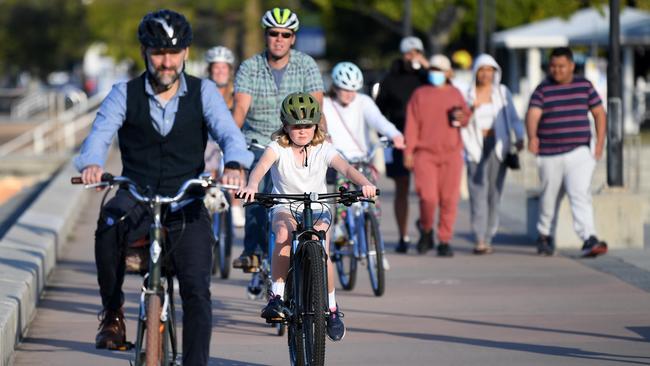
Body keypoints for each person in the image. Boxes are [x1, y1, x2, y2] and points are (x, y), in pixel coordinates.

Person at [73, 10, 253, 366]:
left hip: (185, 198)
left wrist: (234, 165)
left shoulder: (205, 93)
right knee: (108, 224)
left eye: (173, 52)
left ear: (186, 52)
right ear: (144, 52)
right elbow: (98, 136)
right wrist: (92, 165)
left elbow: (230, 135)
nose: (166, 61)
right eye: (158, 52)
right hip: (135, 191)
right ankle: (112, 313)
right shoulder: (123, 93)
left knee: (198, 290)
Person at [238, 92, 377, 342]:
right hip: (285, 206)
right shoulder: (277, 147)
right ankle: (277, 297)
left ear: (316, 125)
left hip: (319, 207)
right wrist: (252, 185)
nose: (302, 131)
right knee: (282, 234)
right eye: (296, 126)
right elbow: (260, 167)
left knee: (323, 250)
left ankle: (332, 310)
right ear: (285, 125)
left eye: (308, 126)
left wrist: (365, 183)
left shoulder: (323, 148)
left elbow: (345, 168)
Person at [232, 7, 325, 271]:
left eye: (286, 34)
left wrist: (324, 147)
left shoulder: (306, 64)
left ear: (293, 38)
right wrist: (231, 152)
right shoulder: (250, 67)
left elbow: (318, 111)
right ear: (266, 35)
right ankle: (254, 251)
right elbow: (239, 111)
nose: (279, 39)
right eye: (274, 33)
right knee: (257, 187)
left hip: (298, 143)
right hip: (259, 141)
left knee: (312, 191)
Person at [526, 47, 608, 257]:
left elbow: (599, 113)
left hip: (579, 151)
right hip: (549, 152)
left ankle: (589, 237)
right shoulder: (543, 88)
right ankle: (544, 235)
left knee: (579, 193)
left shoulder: (584, 86)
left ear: (572, 66)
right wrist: (532, 137)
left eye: (561, 66)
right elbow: (533, 114)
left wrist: (599, 143)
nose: (557, 70)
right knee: (549, 197)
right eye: (553, 66)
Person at [403, 54, 471, 257]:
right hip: (425, 154)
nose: (436, 73)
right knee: (428, 198)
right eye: (433, 69)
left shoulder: (456, 93)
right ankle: (426, 229)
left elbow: (465, 117)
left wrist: (463, 116)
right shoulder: (420, 94)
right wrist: (408, 152)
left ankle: (444, 239)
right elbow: (412, 125)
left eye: (440, 70)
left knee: (449, 199)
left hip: (451, 154)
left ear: (449, 73)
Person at [461, 54, 525, 254]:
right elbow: (460, 120)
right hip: (475, 147)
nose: (486, 74)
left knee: (494, 194)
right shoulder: (467, 94)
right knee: (477, 193)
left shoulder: (502, 92)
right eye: (482, 70)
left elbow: (514, 119)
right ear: (476, 72)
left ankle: (489, 236)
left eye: (490, 70)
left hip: (498, 146)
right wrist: (471, 108)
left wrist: (520, 137)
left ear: (495, 72)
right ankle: (479, 238)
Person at [375, 36, 429, 253]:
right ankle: (403, 236)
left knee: (427, 190)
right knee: (402, 188)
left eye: (416, 52)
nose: (412, 57)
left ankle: (426, 227)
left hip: (424, 140)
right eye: (408, 53)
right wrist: (385, 139)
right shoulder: (390, 79)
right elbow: (379, 112)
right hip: (398, 139)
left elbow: (448, 88)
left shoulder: (427, 77)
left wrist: (426, 66)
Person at [324, 61, 405, 161]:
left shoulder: (363, 101)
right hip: (336, 162)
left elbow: (377, 119)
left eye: (354, 90)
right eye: (345, 90)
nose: (350, 94)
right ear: (335, 87)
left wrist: (394, 134)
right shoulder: (325, 105)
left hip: (363, 160)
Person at [203, 45, 246, 227]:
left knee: (237, 163)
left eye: (224, 67)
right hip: (209, 140)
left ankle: (236, 205)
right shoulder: (203, 91)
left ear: (230, 70)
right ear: (210, 70)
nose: (220, 71)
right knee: (208, 166)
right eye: (216, 67)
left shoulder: (237, 94)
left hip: (230, 140)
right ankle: (208, 199)